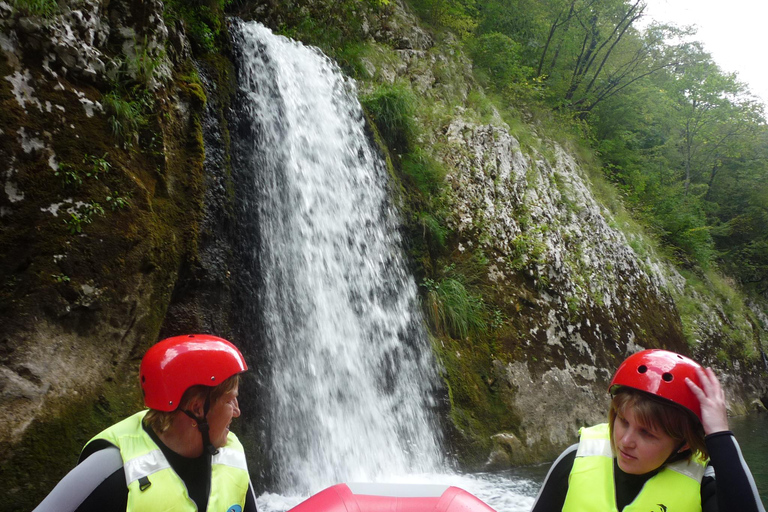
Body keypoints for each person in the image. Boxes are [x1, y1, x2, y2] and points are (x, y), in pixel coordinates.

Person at [33, 333, 259, 512]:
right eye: (230, 400)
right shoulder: (112, 468)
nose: (237, 412)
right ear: (197, 408)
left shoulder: (232, 454)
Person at [531, 349, 765, 512]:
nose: (626, 441)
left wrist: (719, 435)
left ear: (683, 443)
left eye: (647, 434)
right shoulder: (576, 458)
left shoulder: (706, 484)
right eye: (623, 421)